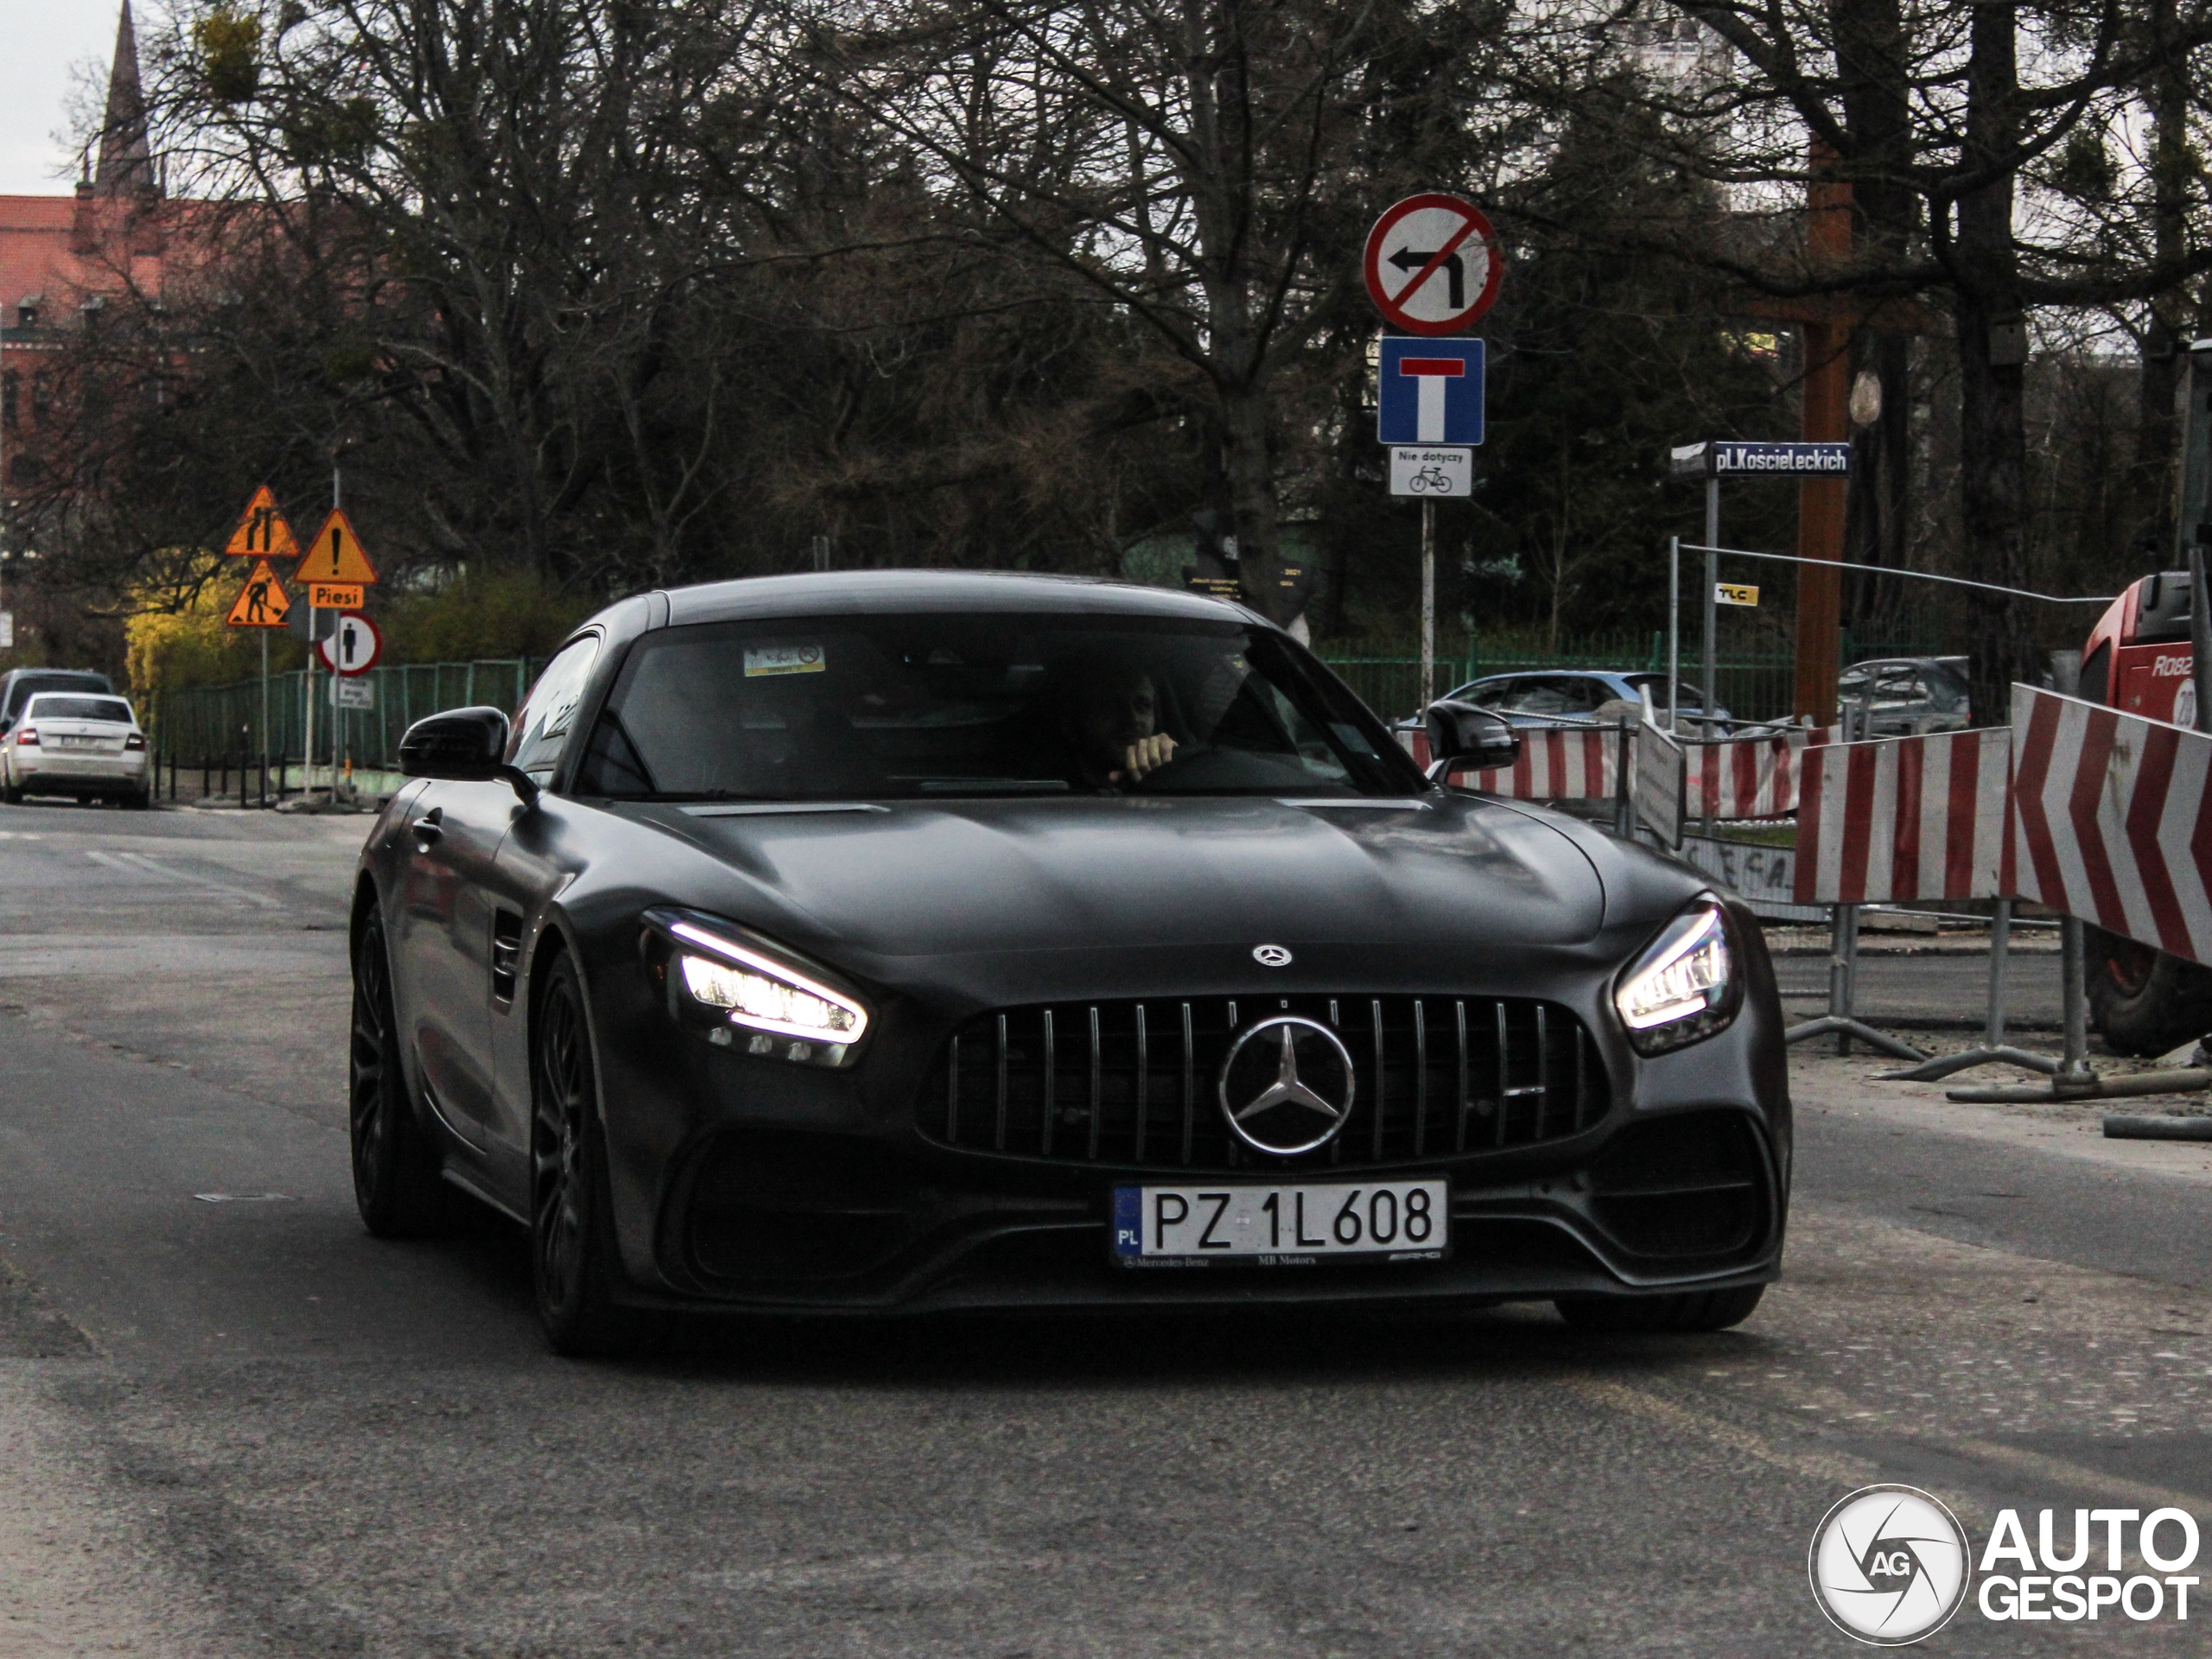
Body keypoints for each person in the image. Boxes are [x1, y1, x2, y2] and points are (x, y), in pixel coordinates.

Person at [1065, 660, 1177, 787]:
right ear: (1069, 723)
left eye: (1144, 705)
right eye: (1110, 706)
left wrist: (1174, 761)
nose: (1133, 719)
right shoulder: (1049, 791)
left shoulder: (1169, 780)